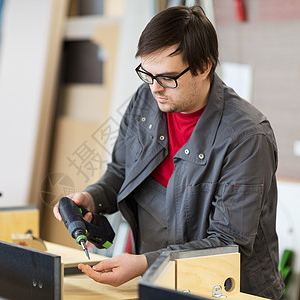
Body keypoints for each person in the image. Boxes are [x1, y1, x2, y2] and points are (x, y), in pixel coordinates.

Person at [53, 5, 284, 299]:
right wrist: (93, 198)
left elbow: (228, 243)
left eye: (166, 78)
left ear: (204, 67)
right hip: (159, 280)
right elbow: (121, 172)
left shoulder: (247, 138)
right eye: (146, 75)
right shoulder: (146, 102)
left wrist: (143, 263)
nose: (155, 89)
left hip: (227, 290)